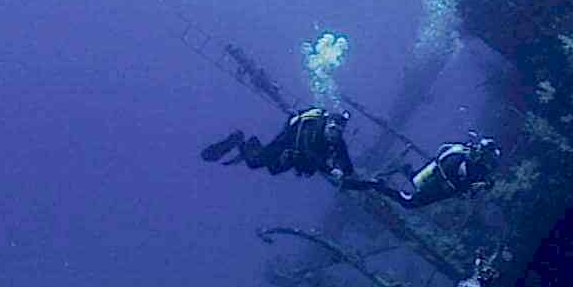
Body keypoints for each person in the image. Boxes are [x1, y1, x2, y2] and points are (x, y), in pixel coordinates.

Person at [334, 133, 501, 208]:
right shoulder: (458, 159)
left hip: (444, 189)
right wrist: (463, 188)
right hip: (437, 185)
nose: (487, 164)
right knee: (409, 202)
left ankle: (405, 169)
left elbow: (475, 184)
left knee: (414, 182)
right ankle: (375, 184)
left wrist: (485, 185)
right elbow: (445, 175)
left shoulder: (479, 168)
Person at [201, 108, 354, 179]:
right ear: (326, 124)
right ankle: (239, 140)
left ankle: (250, 145)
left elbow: (344, 158)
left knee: (273, 169)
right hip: (285, 143)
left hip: (297, 157)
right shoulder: (312, 130)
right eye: (332, 129)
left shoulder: (337, 140)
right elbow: (307, 150)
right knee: (255, 163)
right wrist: (330, 170)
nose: (334, 134)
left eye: (338, 131)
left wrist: (348, 172)